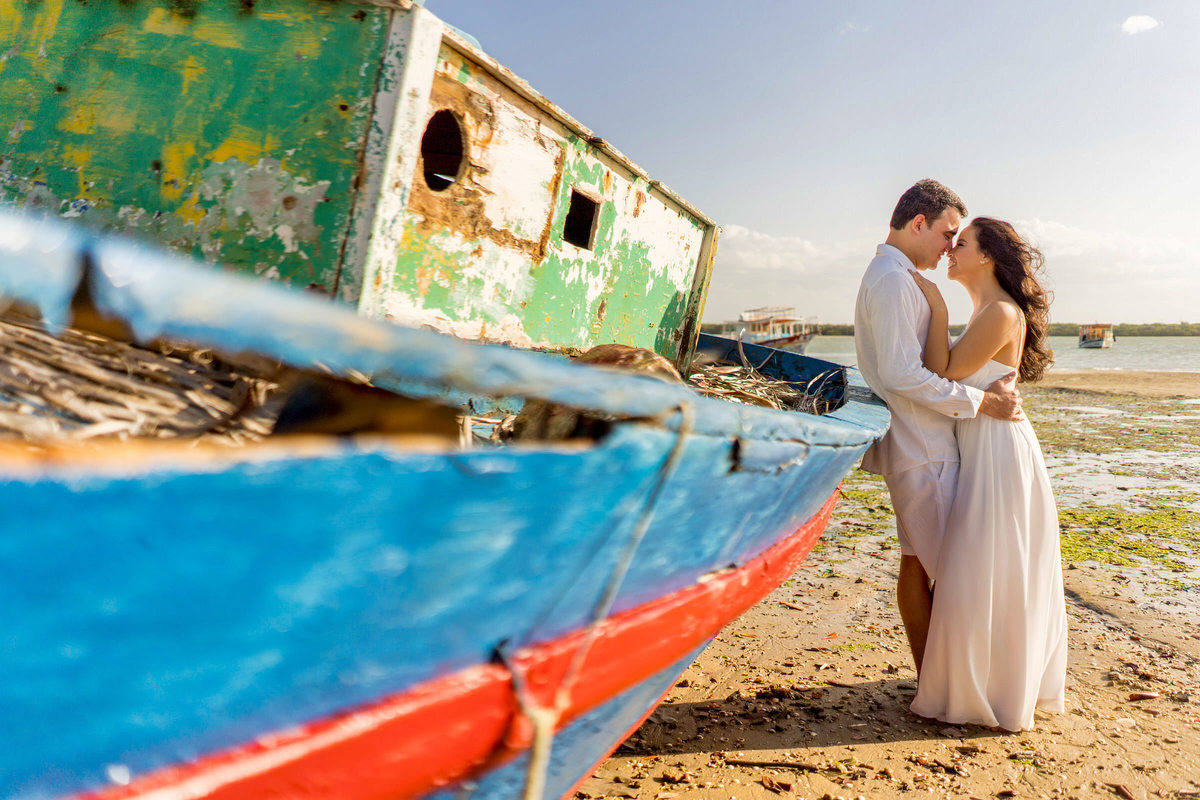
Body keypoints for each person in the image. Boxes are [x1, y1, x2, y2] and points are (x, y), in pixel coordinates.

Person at [853, 180, 1023, 677]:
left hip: (920, 442)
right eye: (948, 233)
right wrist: (981, 402)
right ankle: (950, 683)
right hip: (923, 447)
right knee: (952, 572)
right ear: (918, 223)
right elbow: (901, 374)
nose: (949, 246)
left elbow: (917, 366)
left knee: (917, 563)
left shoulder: (896, 276)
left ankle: (933, 680)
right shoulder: (892, 279)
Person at [908, 218, 1067, 731]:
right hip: (985, 446)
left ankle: (992, 689)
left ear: (987, 256)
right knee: (985, 566)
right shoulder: (988, 310)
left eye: (961, 243)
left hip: (998, 453)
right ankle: (986, 682)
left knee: (986, 564)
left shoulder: (999, 312)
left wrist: (936, 308)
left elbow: (943, 371)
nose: (950, 251)